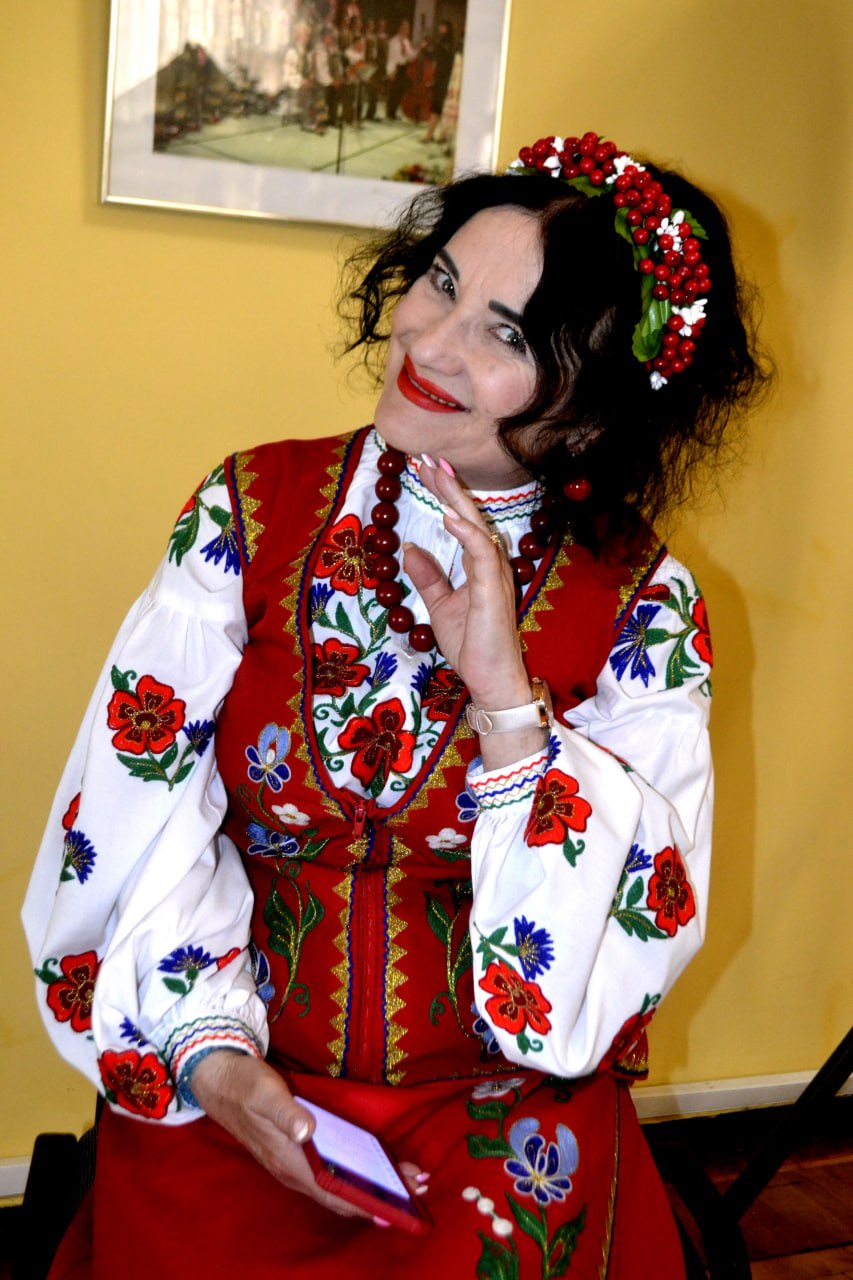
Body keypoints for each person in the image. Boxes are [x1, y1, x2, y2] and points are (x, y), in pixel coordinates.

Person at [24, 132, 768, 1277]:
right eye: (441, 281)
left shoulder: (644, 607)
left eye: (505, 334)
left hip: (504, 1119)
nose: (429, 341)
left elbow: (602, 959)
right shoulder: (248, 511)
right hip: (226, 1070)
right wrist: (212, 1058)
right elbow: (133, 816)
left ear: (587, 414)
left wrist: (507, 700)